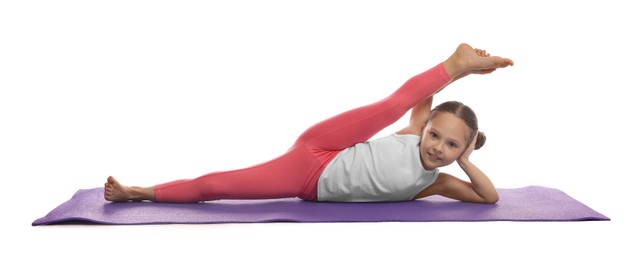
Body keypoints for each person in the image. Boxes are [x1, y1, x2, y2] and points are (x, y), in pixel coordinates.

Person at [104, 43, 513, 204]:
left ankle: (133, 192)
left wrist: (467, 156)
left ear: (465, 148)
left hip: (307, 184)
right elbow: (412, 101)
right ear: (425, 129)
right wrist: (459, 74)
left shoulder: (436, 183)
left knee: (218, 186)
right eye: (434, 134)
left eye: (451, 146)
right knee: (390, 107)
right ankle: (138, 191)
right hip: (318, 154)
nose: (437, 146)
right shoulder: (412, 133)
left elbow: (489, 197)